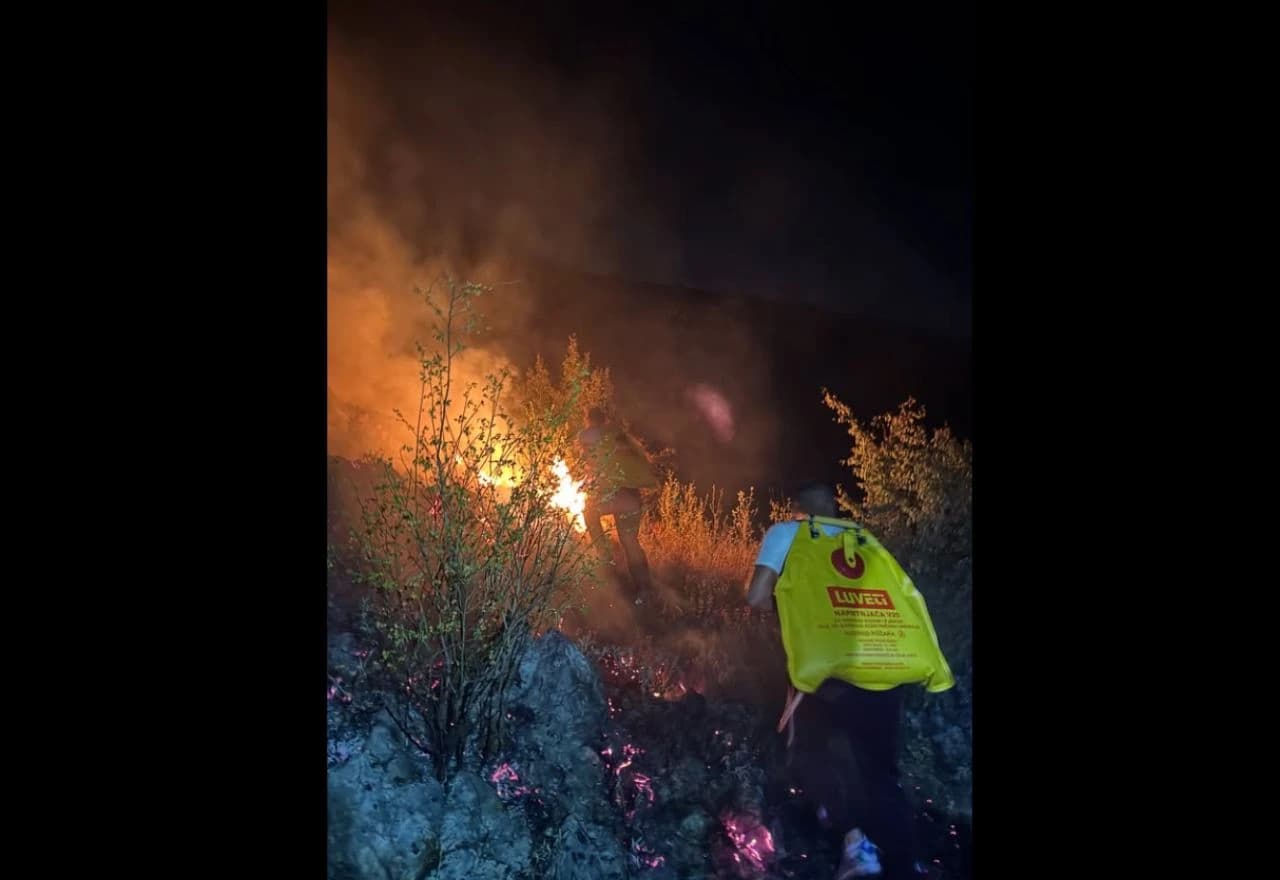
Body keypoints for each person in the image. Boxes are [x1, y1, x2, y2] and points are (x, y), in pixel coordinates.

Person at [747, 482, 940, 880]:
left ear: (796, 506)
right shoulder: (865, 538)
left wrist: (794, 614)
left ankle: (856, 842)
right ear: (834, 503)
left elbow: (756, 597)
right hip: (887, 667)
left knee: (807, 753)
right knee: (881, 770)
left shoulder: (788, 533)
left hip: (826, 669)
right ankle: (906, 862)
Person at [576, 406, 658, 603]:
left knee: (589, 513)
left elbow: (592, 464)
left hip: (611, 495)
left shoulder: (589, 435)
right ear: (605, 419)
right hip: (631, 498)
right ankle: (644, 588)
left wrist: (585, 483)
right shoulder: (621, 436)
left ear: (589, 420)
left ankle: (608, 564)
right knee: (630, 542)